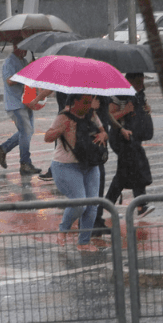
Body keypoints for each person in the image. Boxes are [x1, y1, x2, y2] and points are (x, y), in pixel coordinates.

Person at [43, 93, 109, 251]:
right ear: (75, 102)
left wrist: (102, 134)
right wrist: (60, 129)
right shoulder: (63, 116)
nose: (88, 105)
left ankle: (84, 242)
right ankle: (63, 229)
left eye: (90, 101)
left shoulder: (91, 114)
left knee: (92, 204)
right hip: (66, 166)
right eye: (85, 102)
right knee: (80, 203)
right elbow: (47, 137)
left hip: (90, 164)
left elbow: (104, 131)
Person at [104, 73, 155, 218]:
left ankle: (109, 203)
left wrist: (145, 109)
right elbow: (109, 115)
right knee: (134, 167)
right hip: (121, 137)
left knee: (129, 170)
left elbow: (139, 110)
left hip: (134, 137)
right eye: (138, 81)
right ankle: (140, 205)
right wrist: (125, 111)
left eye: (142, 80)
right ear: (129, 80)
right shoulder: (119, 94)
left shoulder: (139, 93)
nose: (141, 84)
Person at [0, 44, 43, 175]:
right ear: (16, 47)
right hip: (15, 104)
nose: (25, 51)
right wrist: (25, 73)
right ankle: (25, 163)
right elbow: (9, 80)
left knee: (27, 132)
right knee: (26, 132)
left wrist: (34, 68)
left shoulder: (23, 61)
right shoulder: (9, 62)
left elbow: (30, 79)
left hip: (26, 101)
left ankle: (3, 148)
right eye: (23, 47)